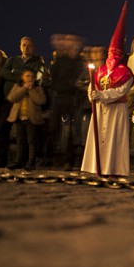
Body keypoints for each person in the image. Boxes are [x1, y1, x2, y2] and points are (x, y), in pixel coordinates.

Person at [81, 2, 134, 177]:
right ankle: (96, 167)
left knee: (114, 140)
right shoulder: (101, 70)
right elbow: (92, 84)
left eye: (116, 53)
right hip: (100, 109)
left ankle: (113, 169)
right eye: (111, 52)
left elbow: (121, 91)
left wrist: (101, 95)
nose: (112, 56)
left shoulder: (126, 73)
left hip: (115, 110)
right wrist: (92, 94)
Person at [0, 37, 46, 168]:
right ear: (20, 46)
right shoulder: (12, 60)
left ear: (33, 47)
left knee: (30, 138)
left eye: (29, 46)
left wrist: (14, 74)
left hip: (29, 106)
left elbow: (36, 78)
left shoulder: (37, 63)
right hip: (12, 100)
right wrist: (22, 77)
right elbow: (3, 73)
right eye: (23, 45)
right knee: (5, 130)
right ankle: (5, 159)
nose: (26, 48)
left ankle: (29, 161)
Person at [46, 34, 86, 169]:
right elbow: (54, 78)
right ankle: (48, 158)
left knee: (71, 131)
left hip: (73, 99)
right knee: (53, 128)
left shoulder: (79, 62)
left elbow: (77, 81)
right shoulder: (60, 61)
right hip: (59, 97)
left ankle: (69, 161)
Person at [5, 69, 46, 170]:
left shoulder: (38, 88)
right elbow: (12, 98)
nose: (30, 78)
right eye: (27, 76)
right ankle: (19, 161)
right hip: (19, 118)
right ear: (22, 77)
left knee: (31, 141)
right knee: (20, 141)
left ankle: (31, 162)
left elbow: (41, 101)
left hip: (32, 119)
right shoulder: (17, 86)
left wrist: (31, 90)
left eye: (32, 76)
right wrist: (24, 88)